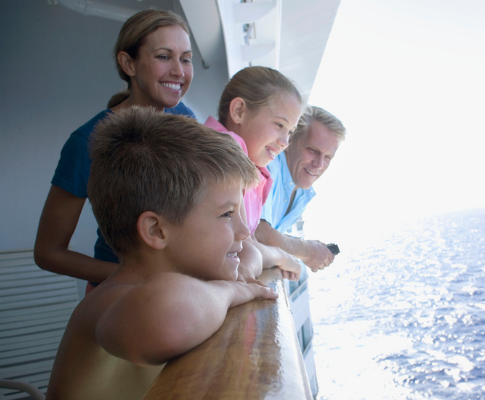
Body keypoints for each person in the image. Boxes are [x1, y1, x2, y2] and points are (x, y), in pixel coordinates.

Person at [45, 107, 278, 400]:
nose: (244, 230)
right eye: (227, 214)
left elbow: (252, 252)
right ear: (156, 231)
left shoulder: (186, 280)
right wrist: (232, 292)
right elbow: (168, 317)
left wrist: (279, 259)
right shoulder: (109, 301)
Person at [35, 10, 195, 290]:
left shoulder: (185, 119)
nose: (179, 71)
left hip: (179, 287)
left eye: (185, 59)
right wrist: (138, 275)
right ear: (128, 64)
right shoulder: (86, 141)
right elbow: (48, 253)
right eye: (163, 56)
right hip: (121, 296)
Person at [204, 66, 304, 282]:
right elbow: (241, 253)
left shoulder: (250, 166)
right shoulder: (219, 160)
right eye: (279, 124)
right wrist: (281, 257)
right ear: (239, 111)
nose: (285, 142)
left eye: (290, 131)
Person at [255, 106, 346, 272]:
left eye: (327, 158)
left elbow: (272, 236)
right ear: (289, 142)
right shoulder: (269, 168)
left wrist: (305, 250)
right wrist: (306, 251)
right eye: (312, 150)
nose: (319, 164)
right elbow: (259, 233)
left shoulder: (302, 192)